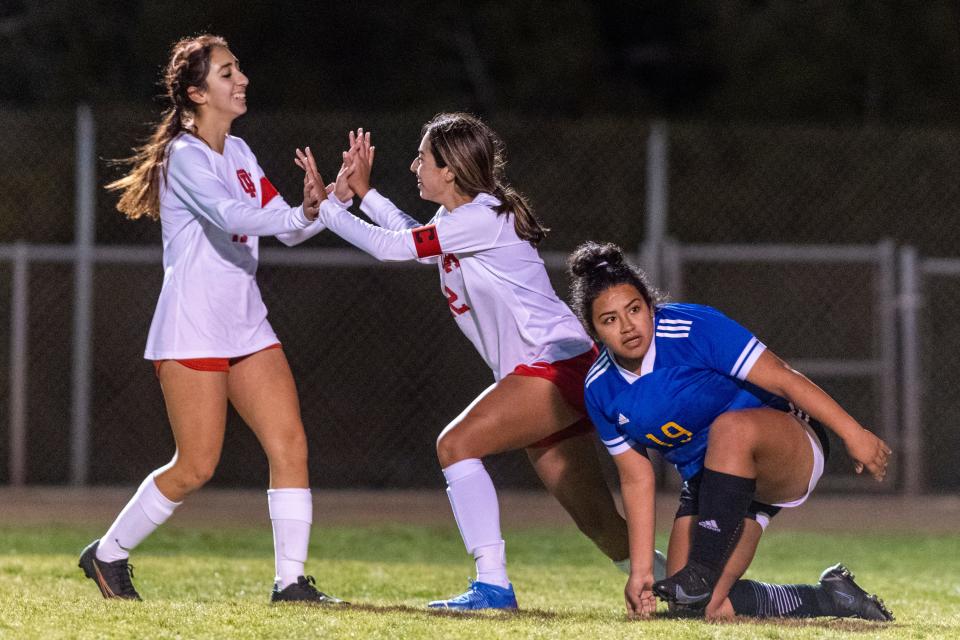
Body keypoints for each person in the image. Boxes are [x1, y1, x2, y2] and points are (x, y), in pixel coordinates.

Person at [297, 114, 663, 610]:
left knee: (456, 445)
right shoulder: (461, 220)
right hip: (554, 367)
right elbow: (420, 242)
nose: (414, 166)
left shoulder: (482, 217)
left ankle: (492, 585)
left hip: (553, 366)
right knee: (598, 524)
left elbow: (395, 248)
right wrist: (364, 195)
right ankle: (686, 588)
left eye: (422, 158)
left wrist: (330, 211)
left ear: (449, 171)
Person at [79, 34, 344, 605]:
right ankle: (107, 552)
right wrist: (298, 212)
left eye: (239, 69)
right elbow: (227, 214)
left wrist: (330, 202)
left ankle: (291, 582)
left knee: (290, 443)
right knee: (196, 465)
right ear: (197, 93)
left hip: (247, 323)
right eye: (227, 73)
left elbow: (289, 227)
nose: (241, 79)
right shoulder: (184, 155)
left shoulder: (242, 152)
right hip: (193, 324)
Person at [568, 240, 894, 622]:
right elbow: (636, 477)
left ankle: (701, 569)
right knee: (695, 608)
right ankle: (831, 598)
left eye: (635, 309)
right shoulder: (600, 388)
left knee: (731, 429)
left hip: (787, 445)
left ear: (649, 305)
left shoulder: (693, 327)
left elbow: (783, 379)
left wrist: (853, 432)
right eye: (609, 320)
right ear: (593, 331)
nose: (627, 326)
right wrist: (641, 569)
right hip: (714, 484)